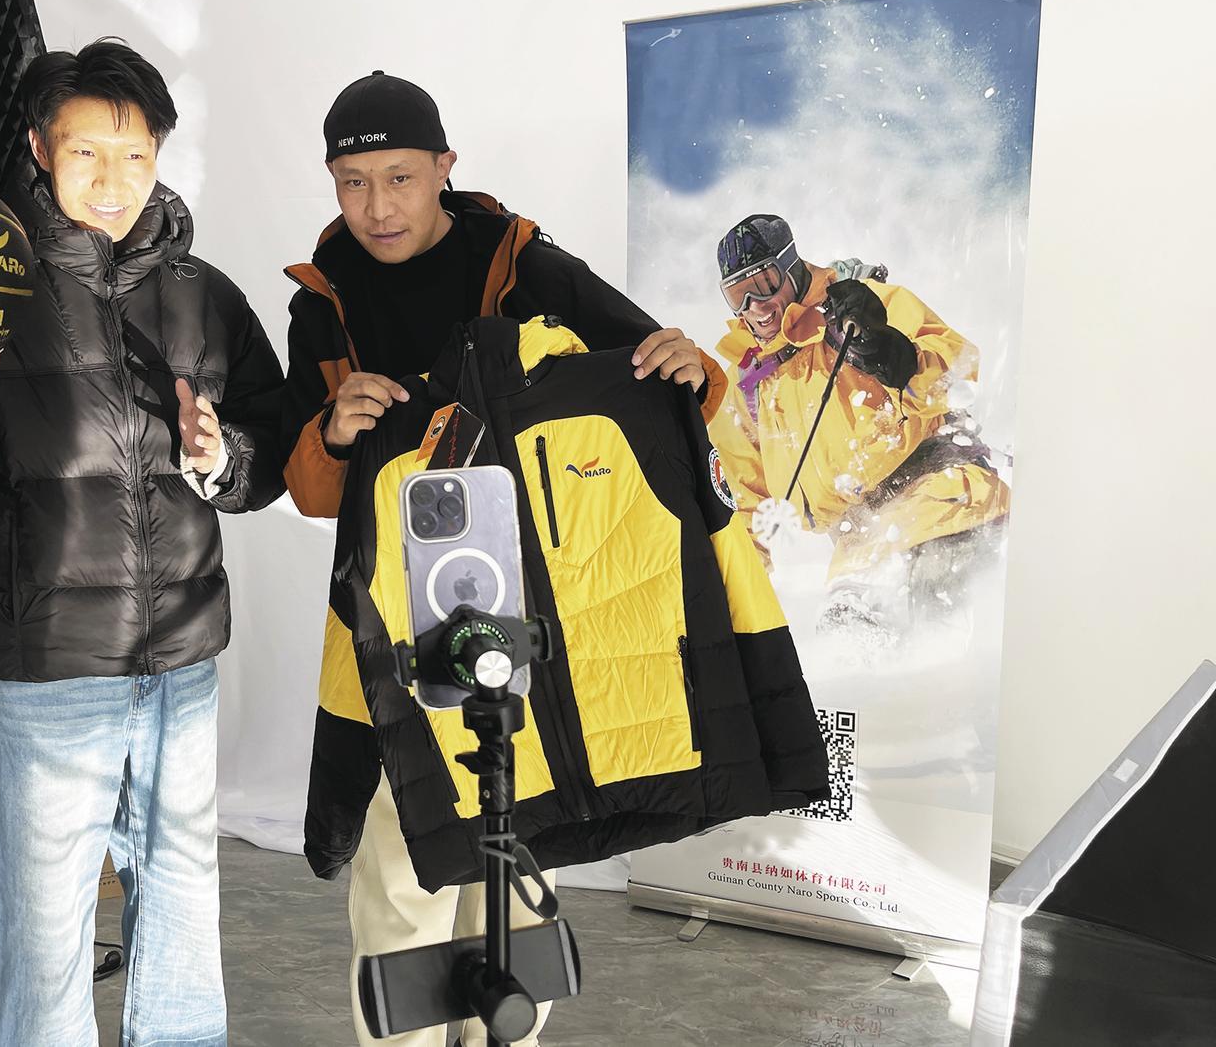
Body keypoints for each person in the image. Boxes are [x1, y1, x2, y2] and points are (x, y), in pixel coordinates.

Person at [0, 39, 284, 1047]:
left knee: (184, 918)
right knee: (44, 942)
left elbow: (273, 455)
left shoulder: (205, 294)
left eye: (136, 156)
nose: (114, 181)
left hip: (182, 665)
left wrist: (226, 454)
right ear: (40, 149)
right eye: (87, 153)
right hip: (47, 675)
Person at [279, 70, 728, 1047]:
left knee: (516, 853)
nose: (377, 206)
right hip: (393, 613)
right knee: (405, 859)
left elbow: (656, 375)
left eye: (400, 178)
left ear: (445, 167)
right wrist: (335, 431)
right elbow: (309, 490)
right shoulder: (321, 302)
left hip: (529, 603)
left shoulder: (523, 266)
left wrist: (695, 371)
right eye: (353, 182)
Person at [705, 213, 1010, 639]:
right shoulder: (749, 381)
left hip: (941, 501)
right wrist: (730, 599)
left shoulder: (857, 308)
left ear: (791, 267)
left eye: (765, 283)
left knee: (929, 636)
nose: (754, 306)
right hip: (860, 542)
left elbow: (959, 371)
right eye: (738, 295)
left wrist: (893, 355)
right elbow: (743, 505)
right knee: (848, 642)